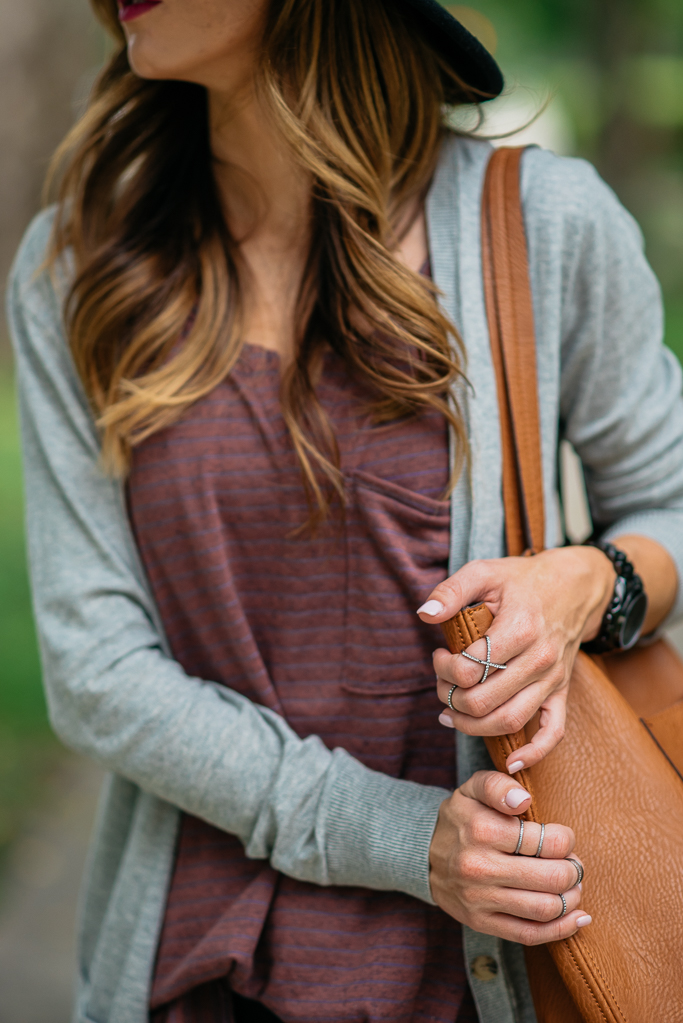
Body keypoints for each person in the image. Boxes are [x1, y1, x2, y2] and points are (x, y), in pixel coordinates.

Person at [7, 0, 683, 1021]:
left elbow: (668, 501)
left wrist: (584, 583)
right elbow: (96, 671)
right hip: (191, 978)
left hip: (476, 981)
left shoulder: (543, 225)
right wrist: (401, 836)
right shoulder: (78, 269)